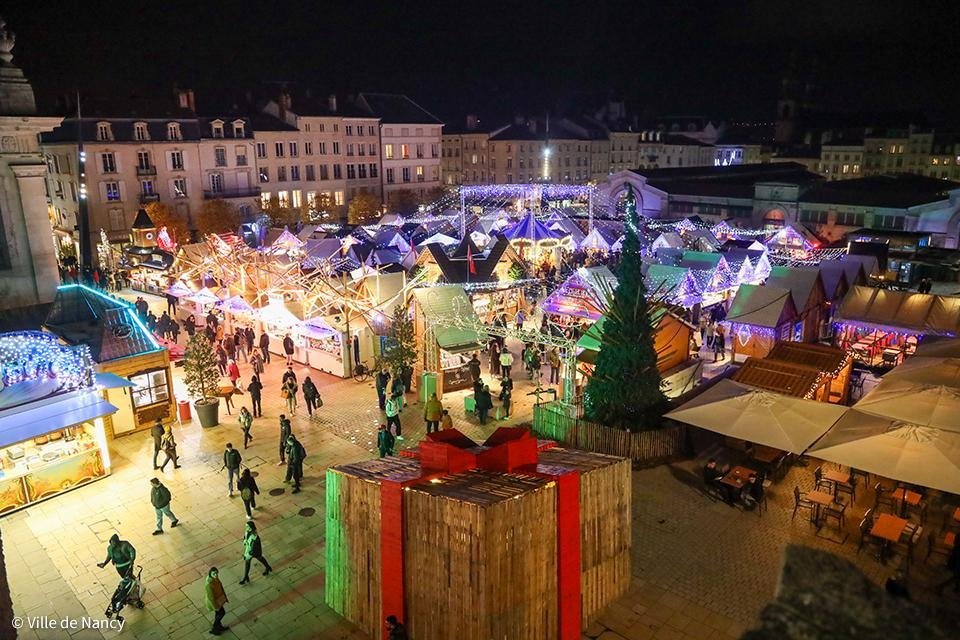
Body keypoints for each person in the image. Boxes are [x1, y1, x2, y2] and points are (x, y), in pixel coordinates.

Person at [239, 521, 272, 585]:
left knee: (260, 559)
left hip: (254, 552)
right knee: (247, 563)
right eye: (246, 526)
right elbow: (245, 537)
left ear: (251, 528)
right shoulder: (247, 532)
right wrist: (244, 541)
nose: (246, 527)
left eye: (247, 526)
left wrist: (249, 554)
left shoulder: (255, 537)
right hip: (249, 550)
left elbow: (254, 548)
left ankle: (268, 567)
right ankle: (246, 577)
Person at [205, 567, 229, 635]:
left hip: (218, 599)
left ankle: (218, 626)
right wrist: (215, 606)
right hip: (215, 602)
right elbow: (210, 597)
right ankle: (214, 628)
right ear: (210, 574)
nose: (216, 575)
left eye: (216, 573)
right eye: (214, 574)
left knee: (218, 614)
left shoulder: (215, 579)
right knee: (222, 613)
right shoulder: (209, 584)